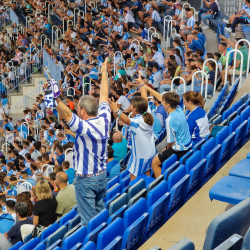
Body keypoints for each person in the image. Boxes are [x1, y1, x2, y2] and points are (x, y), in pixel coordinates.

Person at [48, 58, 110, 227]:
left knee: (89, 222)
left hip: (87, 181)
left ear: (83, 111)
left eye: (78, 108)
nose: (76, 110)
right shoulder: (105, 118)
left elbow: (67, 116)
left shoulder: (85, 126)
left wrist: (57, 99)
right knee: (99, 212)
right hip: (101, 176)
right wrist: (104, 73)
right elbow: (104, 95)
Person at [108, 81, 155, 180]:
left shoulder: (138, 121)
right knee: (146, 172)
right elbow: (145, 99)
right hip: (150, 152)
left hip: (140, 155)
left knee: (133, 177)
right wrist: (142, 84)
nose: (130, 106)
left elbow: (127, 120)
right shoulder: (147, 114)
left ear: (134, 109)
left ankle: (136, 195)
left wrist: (116, 109)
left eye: (131, 105)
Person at [142, 87, 192, 178]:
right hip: (188, 144)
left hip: (180, 149)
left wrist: (167, 149)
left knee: (154, 163)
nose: (162, 103)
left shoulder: (170, 120)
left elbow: (170, 143)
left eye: (163, 102)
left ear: (167, 104)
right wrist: (145, 86)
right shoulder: (179, 109)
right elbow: (161, 97)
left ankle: (161, 184)